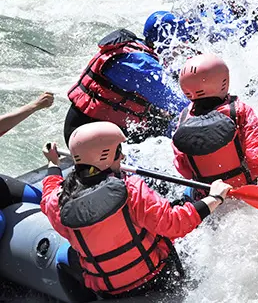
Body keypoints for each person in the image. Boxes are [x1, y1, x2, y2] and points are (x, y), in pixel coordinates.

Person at [40, 122, 232, 299]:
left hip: (108, 289)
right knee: (174, 211)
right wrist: (214, 198)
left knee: (62, 257)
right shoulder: (131, 190)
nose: (122, 156)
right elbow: (175, 225)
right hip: (156, 277)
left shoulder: (59, 202)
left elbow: (48, 193)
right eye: (118, 151)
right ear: (104, 156)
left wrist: (53, 164)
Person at [171, 54, 258, 200]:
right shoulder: (240, 111)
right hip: (245, 189)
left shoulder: (183, 119)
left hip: (209, 197)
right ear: (223, 81)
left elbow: (184, 169)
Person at [64, 28, 189, 145]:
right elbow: (181, 105)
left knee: (162, 118)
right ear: (167, 43)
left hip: (88, 125)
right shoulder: (142, 65)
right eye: (181, 45)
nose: (182, 50)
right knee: (170, 128)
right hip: (86, 136)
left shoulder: (136, 48)